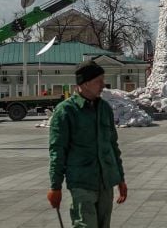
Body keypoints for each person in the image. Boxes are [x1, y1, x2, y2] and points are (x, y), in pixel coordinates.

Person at [48, 60, 127, 227]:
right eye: (98, 81)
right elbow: (57, 150)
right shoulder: (66, 111)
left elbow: (112, 145)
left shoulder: (104, 108)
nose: (103, 85)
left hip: (105, 183)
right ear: (84, 83)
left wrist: (120, 179)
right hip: (82, 183)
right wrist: (55, 187)